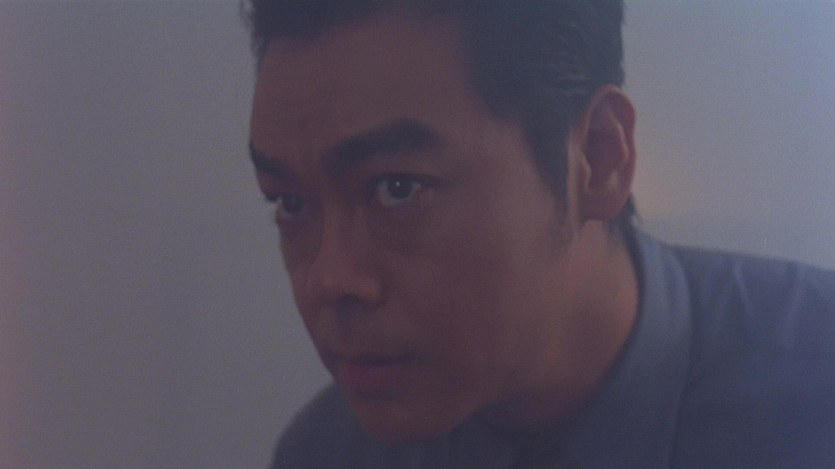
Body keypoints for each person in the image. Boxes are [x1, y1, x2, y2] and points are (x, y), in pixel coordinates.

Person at [245, 1, 835, 467]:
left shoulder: (815, 393)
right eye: (291, 202)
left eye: (397, 188)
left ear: (598, 157)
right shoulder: (327, 453)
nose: (328, 280)